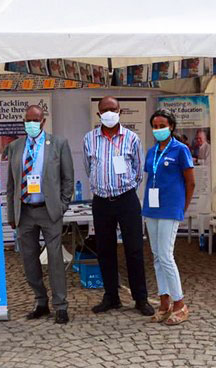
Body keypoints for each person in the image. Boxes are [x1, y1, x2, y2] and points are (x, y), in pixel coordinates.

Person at [83, 96, 154, 316]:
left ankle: (140, 298)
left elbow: (139, 168)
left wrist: (125, 187)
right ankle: (111, 296)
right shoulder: (89, 139)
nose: (109, 113)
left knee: (134, 250)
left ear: (120, 111)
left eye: (112, 109)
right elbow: (88, 168)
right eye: (104, 110)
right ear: (98, 114)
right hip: (101, 202)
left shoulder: (132, 138)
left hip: (126, 200)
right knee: (105, 251)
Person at [6, 105, 74, 324]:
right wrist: (11, 213)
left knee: (55, 259)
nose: (31, 123)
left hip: (49, 211)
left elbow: (68, 179)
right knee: (29, 260)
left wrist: (62, 205)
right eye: (28, 120)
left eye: (35, 120)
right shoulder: (15, 146)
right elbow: (11, 184)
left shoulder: (58, 144)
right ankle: (41, 301)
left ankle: (61, 306)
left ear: (43, 121)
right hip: (24, 211)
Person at [142, 109, 195, 325]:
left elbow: (190, 182)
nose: (158, 129)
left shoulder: (180, 150)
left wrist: (183, 208)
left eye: (162, 125)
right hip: (152, 208)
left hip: (170, 208)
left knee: (165, 254)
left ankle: (180, 304)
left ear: (171, 126)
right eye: (155, 126)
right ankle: (164, 302)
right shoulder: (152, 151)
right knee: (156, 256)